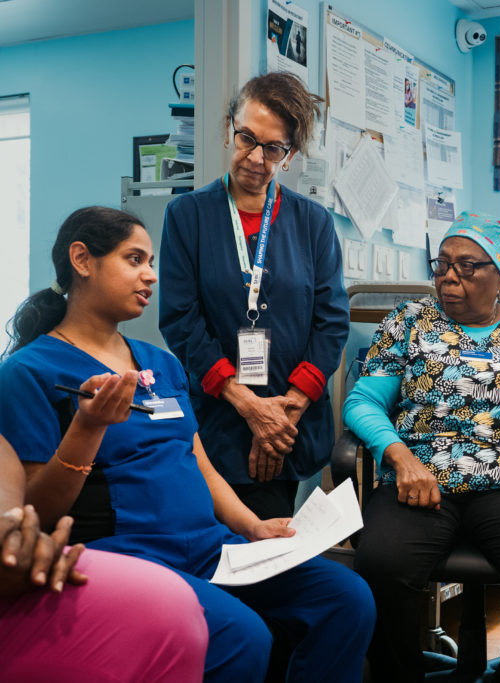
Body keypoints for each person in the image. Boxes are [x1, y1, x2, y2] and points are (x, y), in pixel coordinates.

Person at [0, 206, 374, 682]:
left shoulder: (160, 362)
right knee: (243, 637)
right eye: (134, 259)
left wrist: (252, 526)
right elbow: (35, 510)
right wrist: (87, 429)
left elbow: (198, 461)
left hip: (212, 548)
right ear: (82, 259)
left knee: (348, 600)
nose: (150, 275)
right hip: (130, 556)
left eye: (151, 261)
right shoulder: (29, 373)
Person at [345, 211, 500, 682]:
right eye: (441, 264)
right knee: (380, 564)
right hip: (419, 477)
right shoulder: (408, 322)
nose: (447, 277)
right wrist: (397, 454)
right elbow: (362, 402)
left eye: (466, 266)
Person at [160, 71, 348, 520]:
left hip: (292, 425)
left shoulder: (313, 222)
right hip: (220, 422)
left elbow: (332, 322)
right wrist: (248, 406)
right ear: (229, 129)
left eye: (274, 148)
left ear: (290, 155)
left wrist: (286, 412)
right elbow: (180, 321)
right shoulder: (187, 215)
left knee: (276, 547)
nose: (256, 158)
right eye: (247, 138)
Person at [0, 434, 208, 683]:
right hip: (126, 541)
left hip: (16, 549)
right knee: (164, 610)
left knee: (172, 606)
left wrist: (13, 522)